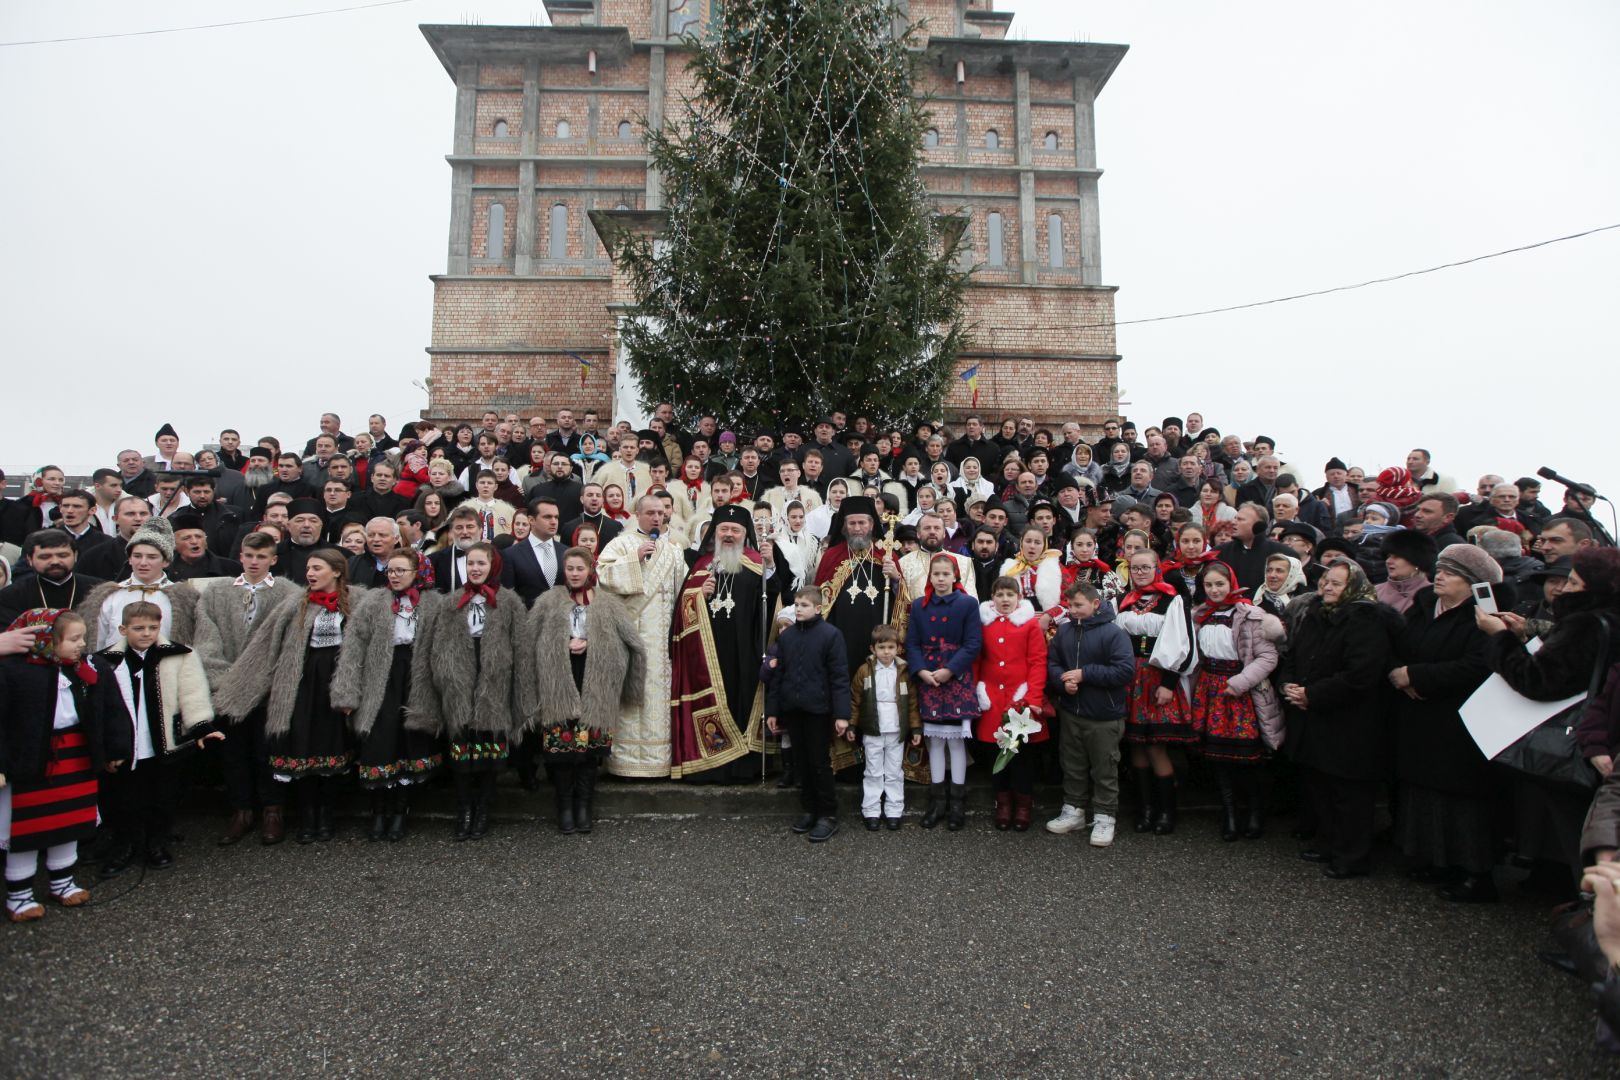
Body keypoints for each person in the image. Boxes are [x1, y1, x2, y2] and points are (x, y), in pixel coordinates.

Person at [1479, 547, 1620, 887]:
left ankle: (1593, 923)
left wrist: (1499, 640)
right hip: (1603, 739)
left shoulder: (1585, 623)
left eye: (1573, 582)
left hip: (1582, 744)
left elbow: (1539, 680)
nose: (1563, 588)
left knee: (1583, 843)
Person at [215, 548, 356, 845]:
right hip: (302, 683)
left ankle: (326, 815)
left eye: (318, 568)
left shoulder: (356, 602)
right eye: (308, 568)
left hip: (334, 682)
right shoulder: (295, 603)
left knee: (332, 746)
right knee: (302, 747)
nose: (311, 574)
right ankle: (307, 816)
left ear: (337, 571)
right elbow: (266, 644)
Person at [1387, 544, 1501, 902]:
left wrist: (1417, 676)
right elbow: (1399, 646)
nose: (1439, 576)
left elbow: (1478, 665)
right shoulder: (1424, 607)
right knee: (1424, 792)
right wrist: (1400, 676)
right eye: (1439, 569)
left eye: (1450, 573)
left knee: (1461, 799)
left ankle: (1475, 873)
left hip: (1459, 719)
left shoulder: (1482, 617)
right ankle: (1437, 859)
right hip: (1419, 714)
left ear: (1472, 583)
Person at [1280, 559, 1394, 879]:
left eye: (1337, 583)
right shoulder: (1317, 613)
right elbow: (1294, 655)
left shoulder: (1366, 619)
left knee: (1350, 794)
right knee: (1322, 786)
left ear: (1354, 586)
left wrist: (1312, 694)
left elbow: (1361, 675)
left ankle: (1352, 856)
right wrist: (1288, 685)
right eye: (1326, 581)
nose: (1327, 587)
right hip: (1314, 716)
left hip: (1350, 721)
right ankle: (1329, 843)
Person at [406, 541, 525, 840]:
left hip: (494, 681)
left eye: (481, 564)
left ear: (492, 566)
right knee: (461, 750)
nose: (475, 569)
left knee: (489, 751)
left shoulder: (509, 602)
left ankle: (483, 809)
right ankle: (464, 809)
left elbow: (521, 649)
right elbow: (432, 646)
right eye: (470, 564)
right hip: (459, 680)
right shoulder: (450, 602)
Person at [95, 600, 219, 876]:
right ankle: (124, 844)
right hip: (126, 745)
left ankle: (156, 842)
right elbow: (99, 706)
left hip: (162, 741)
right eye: (139, 628)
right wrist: (105, 746)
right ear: (123, 629)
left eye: (153, 627)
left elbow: (192, 694)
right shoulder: (105, 660)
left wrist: (200, 727)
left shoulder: (179, 654)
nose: (147, 633)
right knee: (123, 799)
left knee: (162, 796)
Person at [329, 549, 444, 843]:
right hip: (380, 676)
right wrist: (347, 693)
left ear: (417, 573)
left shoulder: (434, 604)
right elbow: (353, 647)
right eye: (390, 571)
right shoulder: (373, 602)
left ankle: (400, 811)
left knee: (409, 741)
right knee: (380, 740)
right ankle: (378, 810)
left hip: (415, 675)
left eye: (400, 571)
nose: (393, 576)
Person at [526, 548, 643, 833]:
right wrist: (560, 644)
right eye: (570, 569)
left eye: (580, 568)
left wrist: (594, 643)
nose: (575, 574)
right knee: (561, 752)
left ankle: (583, 807)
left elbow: (631, 644)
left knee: (589, 753)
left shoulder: (608, 604)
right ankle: (564, 806)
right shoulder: (548, 601)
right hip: (559, 682)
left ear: (591, 570)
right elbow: (529, 642)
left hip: (595, 682)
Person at [0, 610, 107, 922]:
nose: (81, 645)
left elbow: (102, 711)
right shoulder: (13, 673)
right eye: (73, 639)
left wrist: (109, 748)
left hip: (75, 758)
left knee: (68, 825)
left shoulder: (81, 670)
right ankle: (19, 896)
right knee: (27, 830)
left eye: (82, 638)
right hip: (32, 761)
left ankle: (63, 882)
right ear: (44, 640)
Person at [194, 531, 296, 846]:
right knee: (234, 753)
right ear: (240, 556)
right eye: (249, 556)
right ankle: (241, 810)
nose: (254, 562)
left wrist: (261, 682)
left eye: (262, 557)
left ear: (273, 560)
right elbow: (206, 638)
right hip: (227, 688)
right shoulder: (217, 591)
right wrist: (226, 681)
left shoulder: (288, 593)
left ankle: (272, 811)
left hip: (267, 689)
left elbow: (288, 644)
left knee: (268, 752)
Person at [669, 505, 782, 781]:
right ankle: (710, 766)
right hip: (709, 653)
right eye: (724, 529)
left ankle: (745, 765)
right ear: (714, 533)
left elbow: (773, 604)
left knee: (742, 697)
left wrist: (770, 568)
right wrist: (697, 595)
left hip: (745, 649)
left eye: (736, 530)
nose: (729, 534)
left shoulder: (757, 563)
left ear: (745, 534)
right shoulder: (700, 566)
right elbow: (680, 614)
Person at [1188, 562, 1283, 841]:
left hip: (1240, 690)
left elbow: (1268, 657)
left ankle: (1254, 813)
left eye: (1220, 584)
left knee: (1247, 758)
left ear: (1231, 583)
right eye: (1209, 585)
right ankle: (1228, 814)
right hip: (1209, 689)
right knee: (1218, 759)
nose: (1215, 590)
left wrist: (1240, 683)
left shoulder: (1252, 615)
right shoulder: (1200, 615)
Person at [594, 494, 688, 778]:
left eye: (661, 513)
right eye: (650, 513)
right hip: (631, 635)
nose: (657, 518)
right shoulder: (621, 544)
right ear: (637, 513)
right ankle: (625, 762)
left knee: (658, 696)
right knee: (632, 698)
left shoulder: (673, 549)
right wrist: (633, 560)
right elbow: (602, 576)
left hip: (663, 640)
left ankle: (659, 761)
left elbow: (682, 587)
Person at [1041, 581, 1135, 846]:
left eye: (1078, 605)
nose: (1073, 610)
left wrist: (1085, 674)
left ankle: (1105, 816)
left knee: (1104, 767)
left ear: (1095, 604)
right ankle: (1074, 810)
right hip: (1072, 711)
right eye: (1070, 605)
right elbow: (1053, 663)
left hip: (1104, 715)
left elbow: (1125, 670)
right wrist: (1061, 681)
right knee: (1072, 764)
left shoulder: (1114, 633)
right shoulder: (1065, 632)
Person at [765, 586, 852, 843]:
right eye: (797, 604)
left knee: (818, 763)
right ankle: (809, 809)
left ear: (818, 608)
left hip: (818, 709)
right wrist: (773, 710)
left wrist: (842, 715)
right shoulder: (787, 637)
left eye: (804, 605)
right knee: (801, 762)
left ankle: (827, 813)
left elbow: (839, 677)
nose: (798, 608)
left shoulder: (831, 635)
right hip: (793, 708)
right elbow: (779, 676)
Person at [1117, 550, 1195, 834]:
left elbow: (1181, 643)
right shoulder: (1124, 601)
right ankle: (1145, 809)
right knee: (1136, 745)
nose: (1139, 573)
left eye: (1145, 567)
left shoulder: (1172, 600)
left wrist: (1169, 683)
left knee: (1156, 746)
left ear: (1157, 569)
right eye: (1135, 568)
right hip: (1130, 676)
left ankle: (1167, 811)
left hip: (1158, 675)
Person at [906, 554, 983, 832]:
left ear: (955, 576)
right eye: (935, 574)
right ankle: (937, 802)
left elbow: (973, 643)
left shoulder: (967, 604)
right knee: (935, 742)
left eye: (945, 574)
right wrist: (921, 671)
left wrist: (950, 669)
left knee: (956, 742)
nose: (940, 579)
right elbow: (912, 643)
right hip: (928, 677)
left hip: (956, 677)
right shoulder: (919, 606)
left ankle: (957, 803)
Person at [974, 576, 1049, 833]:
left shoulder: (1029, 626)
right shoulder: (983, 625)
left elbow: (1038, 662)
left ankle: (1023, 807)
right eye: (1000, 595)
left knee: (1022, 758)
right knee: (997, 757)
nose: (1005, 600)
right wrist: (977, 691)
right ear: (992, 598)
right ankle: (1003, 805)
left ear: (1019, 598)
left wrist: (1033, 698)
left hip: (1021, 699)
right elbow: (977, 660)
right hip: (992, 700)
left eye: (1010, 595)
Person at [79, 517, 201, 650]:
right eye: (137, 556)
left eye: (151, 557)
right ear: (130, 559)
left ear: (166, 562)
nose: (143, 563)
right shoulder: (109, 596)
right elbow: (97, 642)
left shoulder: (184, 598)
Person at [847, 624, 923, 830]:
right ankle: (871, 810)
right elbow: (855, 700)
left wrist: (916, 729)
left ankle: (894, 810)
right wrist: (852, 725)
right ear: (873, 649)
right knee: (873, 771)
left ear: (898, 648)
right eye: (882, 648)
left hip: (897, 731)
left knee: (894, 772)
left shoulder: (904, 672)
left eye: (891, 647)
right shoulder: (864, 671)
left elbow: (913, 704)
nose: (886, 652)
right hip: (873, 729)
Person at [1216, 503, 1293, 593]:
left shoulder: (1284, 553)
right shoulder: (1220, 552)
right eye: (1235, 518)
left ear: (1258, 525)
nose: (1233, 522)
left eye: (1240, 519)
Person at [1375, 530, 1438, 615]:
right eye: (1388, 556)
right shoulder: (1375, 591)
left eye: (1396, 557)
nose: (1388, 561)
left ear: (1416, 561)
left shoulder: (1432, 595)